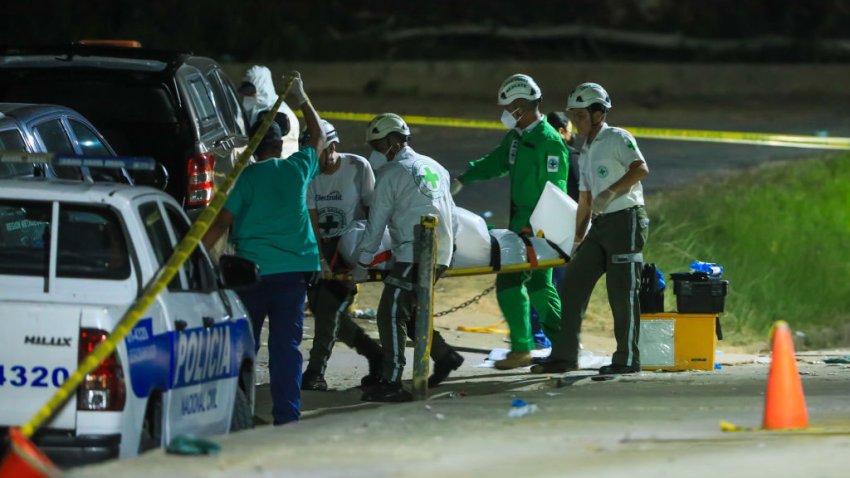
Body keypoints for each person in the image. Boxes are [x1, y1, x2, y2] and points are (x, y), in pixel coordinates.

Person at [202, 72, 325, 425]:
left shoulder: (247, 179)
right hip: (293, 274)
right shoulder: (297, 168)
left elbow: (221, 223)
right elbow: (317, 138)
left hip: (251, 275)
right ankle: (287, 417)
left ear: (253, 149)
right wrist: (303, 99)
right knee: (286, 349)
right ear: (280, 142)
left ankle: (237, 414)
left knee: (245, 347)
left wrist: (192, 260)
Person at [451, 74, 569, 370]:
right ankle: (565, 345)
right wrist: (464, 178)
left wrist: (536, 227)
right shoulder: (518, 138)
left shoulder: (549, 142)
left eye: (509, 106)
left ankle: (523, 348)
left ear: (523, 106)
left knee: (511, 281)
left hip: (539, 227)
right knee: (541, 287)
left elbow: (557, 190)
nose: (505, 112)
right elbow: (497, 162)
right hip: (522, 224)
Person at [532, 82, 650, 375]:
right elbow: (584, 199)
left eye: (581, 116)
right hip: (599, 227)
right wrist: (575, 241)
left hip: (626, 220)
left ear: (599, 114)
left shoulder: (616, 137)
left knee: (622, 293)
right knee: (571, 285)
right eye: (573, 116)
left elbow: (640, 168)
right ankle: (564, 356)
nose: (576, 122)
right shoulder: (584, 151)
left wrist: (611, 191)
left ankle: (627, 359)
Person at [352, 113, 464, 402]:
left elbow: (375, 225)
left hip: (415, 254)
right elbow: (455, 216)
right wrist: (449, 253)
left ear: (392, 142)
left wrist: (362, 264)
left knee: (390, 313)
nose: (374, 153)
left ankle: (391, 381)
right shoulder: (435, 167)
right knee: (411, 310)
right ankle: (444, 356)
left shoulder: (390, 175)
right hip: (440, 253)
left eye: (377, 146)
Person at [301, 119, 384, 391]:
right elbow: (313, 220)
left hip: (350, 245)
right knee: (323, 307)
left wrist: (370, 251)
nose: (314, 160)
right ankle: (376, 354)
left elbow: (373, 210)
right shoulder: (310, 173)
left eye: (318, 153)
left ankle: (315, 371)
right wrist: (320, 259)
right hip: (322, 247)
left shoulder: (358, 167)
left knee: (328, 308)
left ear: (333, 147)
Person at [239, 65, 301, 158]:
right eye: (246, 93)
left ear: (262, 88)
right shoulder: (261, 108)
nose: (247, 97)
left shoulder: (276, 113)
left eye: (251, 92)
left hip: (280, 166)